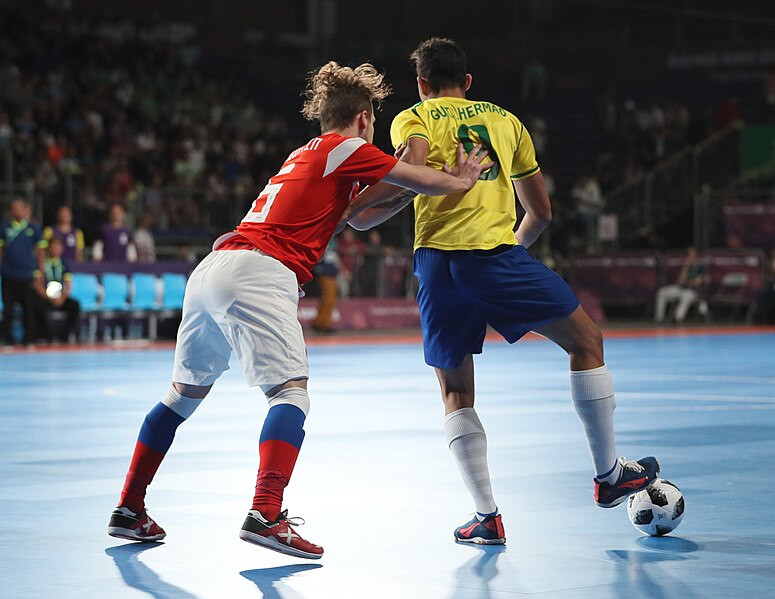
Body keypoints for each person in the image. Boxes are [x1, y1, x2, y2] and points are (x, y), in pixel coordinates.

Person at [107, 61, 492, 559]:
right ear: (362, 119)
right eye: (373, 120)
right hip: (258, 273)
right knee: (290, 393)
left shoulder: (309, 155)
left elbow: (357, 216)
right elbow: (417, 179)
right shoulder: (346, 147)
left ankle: (129, 507)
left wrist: (408, 179)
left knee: (181, 395)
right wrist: (459, 179)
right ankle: (266, 513)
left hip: (214, 269)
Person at [344, 38, 659, 545]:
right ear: (468, 82)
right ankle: (608, 477)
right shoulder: (508, 122)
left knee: (454, 391)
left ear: (422, 85)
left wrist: (355, 211)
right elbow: (542, 214)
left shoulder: (412, 117)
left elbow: (415, 171)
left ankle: (486, 517)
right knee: (586, 342)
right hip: (493, 256)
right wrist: (506, 260)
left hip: (434, 264)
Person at [1, 198, 47, 345]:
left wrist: (40, 272)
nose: (17, 211)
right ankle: (7, 339)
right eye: (14, 208)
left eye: (20, 208)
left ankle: (29, 339)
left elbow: (40, 252)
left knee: (28, 308)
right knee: (8, 309)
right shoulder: (5, 227)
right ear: (11, 210)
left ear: (25, 209)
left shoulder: (33, 228)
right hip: (8, 274)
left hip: (26, 275)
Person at [31, 237, 81, 343]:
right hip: (46, 296)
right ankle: (47, 337)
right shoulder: (41, 263)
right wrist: (48, 297)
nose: (56, 249)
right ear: (49, 248)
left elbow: (68, 284)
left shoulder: (64, 264)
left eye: (58, 246)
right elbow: (37, 284)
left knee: (75, 305)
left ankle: (65, 337)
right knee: (37, 306)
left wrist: (62, 297)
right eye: (53, 246)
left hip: (60, 297)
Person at [654, 247, 708, 325]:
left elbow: (696, 283)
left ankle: (677, 319)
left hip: (694, 292)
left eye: (692, 256)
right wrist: (685, 268)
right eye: (688, 256)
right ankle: (659, 318)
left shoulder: (701, 268)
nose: (690, 258)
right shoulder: (686, 266)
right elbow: (680, 281)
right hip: (681, 288)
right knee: (662, 292)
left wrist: (686, 282)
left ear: (697, 257)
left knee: (686, 296)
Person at [311, 238, 339, 333]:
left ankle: (322, 322)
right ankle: (322, 323)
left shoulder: (332, 240)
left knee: (329, 298)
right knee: (328, 297)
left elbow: (334, 256)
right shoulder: (325, 237)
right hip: (325, 269)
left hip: (330, 270)